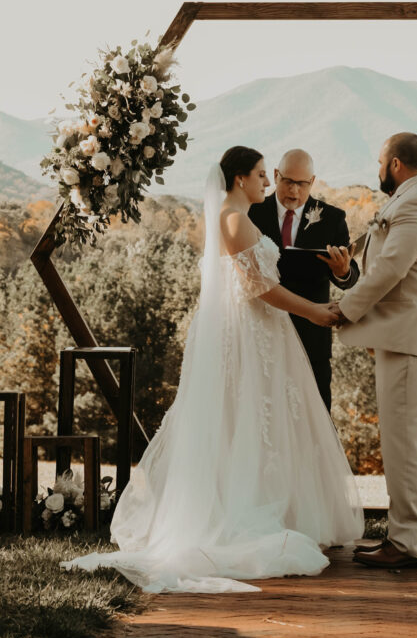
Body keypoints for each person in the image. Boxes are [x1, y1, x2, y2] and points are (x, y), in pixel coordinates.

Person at [61, 146, 364, 593]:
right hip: (248, 333)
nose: (269, 183)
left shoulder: (234, 215)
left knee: (258, 422)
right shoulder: (235, 220)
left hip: (257, 332)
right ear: (241, 178)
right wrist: (316, 312)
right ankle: (247, 513)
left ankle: (274, 507)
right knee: (246, 420)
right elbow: (260, 287)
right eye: (263, 175)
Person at [338, 133, 417, 570]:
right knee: (401, 441)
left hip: (412, 338)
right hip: (403, 336)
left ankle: (406, 543)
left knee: (405, 443)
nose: (378, 168)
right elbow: (378, 258)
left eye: (380, 161)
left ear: (396, 165)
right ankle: (403, 536)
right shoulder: (410, 198)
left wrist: (346, 309)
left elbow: (392, 268)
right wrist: (346, 267)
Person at [249, 149, 359, 411]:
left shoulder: (333, 218)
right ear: (276, 176)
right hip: (262, 333)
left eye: (302, 184)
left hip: (312, 339)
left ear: (312, 181)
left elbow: (351, 277)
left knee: (315, 420)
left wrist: (342, 271)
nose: (294, 191)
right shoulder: (252, 212)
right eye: (288, 181)